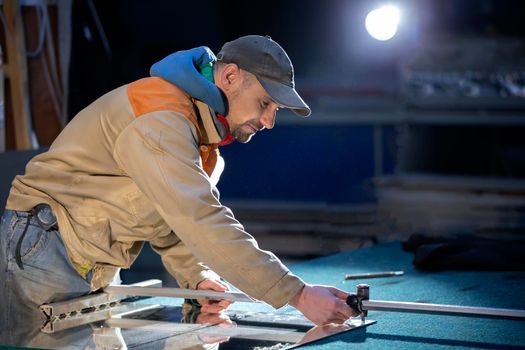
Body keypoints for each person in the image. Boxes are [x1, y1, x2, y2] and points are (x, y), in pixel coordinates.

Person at [0, 35, 356, 337]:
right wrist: (297, 295)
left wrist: (197, 277)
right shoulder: (160, 118)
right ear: (230, 76)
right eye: (265, 103)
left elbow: (169, 220)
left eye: (274, 110)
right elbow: (201, 219)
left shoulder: (202, 142)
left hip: (87, 257)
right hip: (46, 247)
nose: (268, 121)